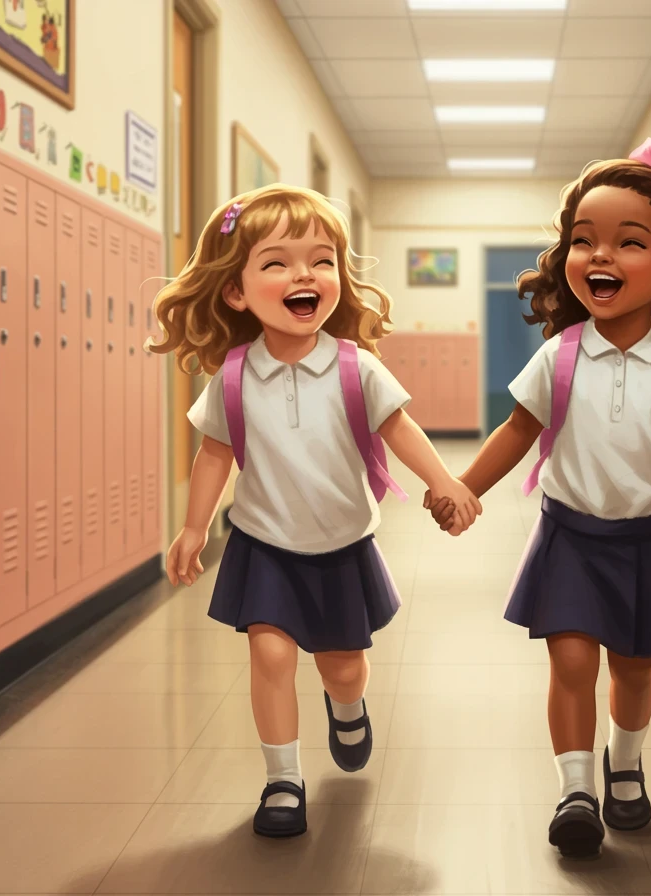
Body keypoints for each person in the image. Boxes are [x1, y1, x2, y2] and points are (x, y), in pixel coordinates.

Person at [426, 140, 651, 858]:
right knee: (572, 662)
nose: (600, 256)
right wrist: (464, 487)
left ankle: (625, 763)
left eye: (628, 241)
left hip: (646, 541)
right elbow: (518, 428)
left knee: (637, 667)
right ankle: (576, 788)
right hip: (569, 538)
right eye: (583, 241)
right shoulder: (560, 354)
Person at [151, 185, 481, 839]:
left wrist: (447, 482)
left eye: (321, 260)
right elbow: (214, 454)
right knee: (269, 656)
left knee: (342, 664)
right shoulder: (236, 377)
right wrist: (194, 527)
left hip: (340, 543)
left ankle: (348, 708)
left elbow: (402, 430)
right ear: (237, 292)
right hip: (264, 541)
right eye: (276, 262)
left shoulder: (358, 369)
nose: (303, 274)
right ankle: (283, 780)